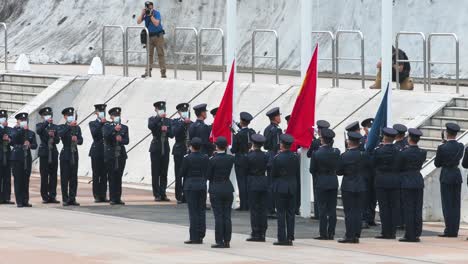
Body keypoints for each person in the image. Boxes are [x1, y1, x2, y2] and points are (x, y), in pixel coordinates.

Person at [337, 132, 369, 244]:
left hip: (348, 186)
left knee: (349, 212)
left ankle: (349, 235)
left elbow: (339, 172)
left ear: (349, 142)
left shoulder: (344, 155)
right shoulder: (363, 155)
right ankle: (356, 234)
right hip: (361, 185)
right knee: (358, 211)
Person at [310, 128, 341, 240]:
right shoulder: (336, 152)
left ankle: (323, 233)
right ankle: (331, 232)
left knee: (322, 208)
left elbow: (312, 170)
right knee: (332, 209)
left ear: (322, 139)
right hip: (332, 180)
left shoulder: (316, 153)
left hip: (321, 181)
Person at [397, 128, 426, 242]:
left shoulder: (404, 153)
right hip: (418, 181)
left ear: (409, 138)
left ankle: (410, 234)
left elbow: (399, 167)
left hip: (407, 181)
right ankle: (417, 233)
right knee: (417, 208)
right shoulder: (422, 152)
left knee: (408, 209)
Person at [435, 123, 464, 238]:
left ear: (447, 133)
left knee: (447, 204)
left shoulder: (442, 148)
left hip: (446, 175)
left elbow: (437, 164)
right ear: (456, 134)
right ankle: (455, 230)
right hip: (456, 175)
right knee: (456, 204)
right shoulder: (460, 146)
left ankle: (449, 230)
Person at [271, 134, 299, 246]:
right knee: (291, 213)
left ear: (282, 144)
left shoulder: (277, 158)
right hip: (292, 186)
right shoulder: (295, 157)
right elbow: (296, 173)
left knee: (281, 213)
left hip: (281, 187)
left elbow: (273, 174)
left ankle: (282, 237)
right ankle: (290, 237)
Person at [207, 136, 235, 248]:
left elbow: (209, 176)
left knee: (218, 216)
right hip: (227, 187)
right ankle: (227, 240)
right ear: (227, 146)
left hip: (216, 188)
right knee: (227, 216)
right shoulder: (230, 158)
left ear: (216, 146)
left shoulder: (212, 160)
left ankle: (219, 240)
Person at [181, 137, 209, 244]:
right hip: (201, 185)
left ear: (191, 146)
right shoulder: (205, 157)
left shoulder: (187, 158)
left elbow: (182, 173)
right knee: (201, 211)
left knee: (193, 212)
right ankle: (201, 234)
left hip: (191, 186)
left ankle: (194, 236)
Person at [373, 127, 400, 239]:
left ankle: (385, 232)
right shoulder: (398, 151)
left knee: (384, 208)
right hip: (394, 181)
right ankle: (392, 232)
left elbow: (373, 165)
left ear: (384, 137)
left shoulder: (378, 151)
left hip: (382, 181)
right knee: (393, 207)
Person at [246, 134, 269, 242]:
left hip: (252, 182)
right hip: (263, 182)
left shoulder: (249, 156)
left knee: (254, 209)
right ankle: (263, 232)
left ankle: (255, 232)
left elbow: (245, 170)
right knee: (263, 209)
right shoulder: (265, 155)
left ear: (253, 144)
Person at [10, 112, 37, 207]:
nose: (24, 122)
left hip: (26, 158)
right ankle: (19, 201)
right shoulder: (13, 130)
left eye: (25, 120)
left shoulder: (31, 133)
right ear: (17, 121)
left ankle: (25, 200)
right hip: (17, 157)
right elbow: (13, 140)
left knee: (26, 179)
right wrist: (22, 130)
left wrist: (30, 145)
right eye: (21, 120)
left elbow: (35, 145)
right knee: (18, 179)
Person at [103, 107, 129, 205]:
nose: (117, 117)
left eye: (118, 115)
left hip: (121, 154)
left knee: (119, 176)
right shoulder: (107, 126)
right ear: (111, 117)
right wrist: (114, 130)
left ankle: (118, 197)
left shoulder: (125, 127)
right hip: (111, 154)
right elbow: (105, 136)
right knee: (112, 176)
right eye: (115, 116)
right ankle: (112, 198)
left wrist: (121, 140)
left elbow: (127, 141)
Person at [58, 107, 83, 206]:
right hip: (66, 153)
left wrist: (76, 139)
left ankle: (72, 198)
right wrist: (69, 127)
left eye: (71, 115)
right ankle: (65, 198)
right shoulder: (62, 127)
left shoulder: (77, 128)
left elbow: (81, 141)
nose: (70, 117)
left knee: (73, 177)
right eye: (68, 116)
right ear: (64, 117)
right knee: (65, 177)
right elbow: (60, 134)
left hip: (74, 153)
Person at [148, 101, 173, 201]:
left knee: (164, 172)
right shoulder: (152, 119)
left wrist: (167, 129)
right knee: (155, 172)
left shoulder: (168, 121)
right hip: (156, 147)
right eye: (160, 109)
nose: (163, 111)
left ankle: (163, 193)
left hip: (165, 147)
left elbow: (172, 134)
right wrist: (159, 117)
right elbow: (151, 126)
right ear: (156, 110)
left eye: (163, 109)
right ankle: (156, 194)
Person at [231, 112, 255, 211]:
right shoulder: (252, 132)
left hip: (240, 159)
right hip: (250, 158)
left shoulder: (238, 134)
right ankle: (249, 204)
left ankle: (244, 205)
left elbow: (234, 149)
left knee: (241, 183)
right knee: (248, 182)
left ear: (241, 121)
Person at [306, 120, 330, 219]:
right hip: (328, 171)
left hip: (317, 171)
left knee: (317, 192)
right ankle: (327, 211)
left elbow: (308, 154)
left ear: (319, 130)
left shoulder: (315, 142)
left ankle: (318, 213)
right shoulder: (330, 141)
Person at [36, 107, 60, 204]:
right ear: (42, 116)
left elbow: (58, 140)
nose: (48, 116)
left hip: (53, 152)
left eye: (49, 114)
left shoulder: (55, 126)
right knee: (44, 175)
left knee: (53, 175)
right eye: (46, 115)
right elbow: (39, 131)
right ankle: (45, 196)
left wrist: (53, 136)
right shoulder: (40, 125)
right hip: (44, 153)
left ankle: (52, 195)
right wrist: (46, 123)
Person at [137, 1, 166, 78]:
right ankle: (148, 72)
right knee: (149, 55)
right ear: (146, 7)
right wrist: (142, 14)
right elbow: (138, 22)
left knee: (160, 54)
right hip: (149, 37)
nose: (150, 7)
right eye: (148, 6)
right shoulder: (145, 14)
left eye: (151, 6)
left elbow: (156, 23)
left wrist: (150, 16)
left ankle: (163, 73)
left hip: (158, 36)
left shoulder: (156, 13)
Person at [264, 107, 283, 218]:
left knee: (270, 184)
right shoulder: (277, 130)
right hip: (274, 157)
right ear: (275, 118)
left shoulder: (267, 129)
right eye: (278, 116)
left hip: (269, 156)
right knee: (273, 185)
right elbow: (277, 145)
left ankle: (269, 208)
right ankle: (271, 209)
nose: (279, 117)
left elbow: (265, 145)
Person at [172, 103, 192, 204]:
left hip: (188, 150)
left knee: (188, 174)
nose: (184, 113)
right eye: (182, 111)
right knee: (179, 173)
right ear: (179, 112)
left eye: (186, 111)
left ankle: (186, 194)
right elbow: (173, 132)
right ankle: (179, 195)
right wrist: (184, 123)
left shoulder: (191, 123)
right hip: (179, 150)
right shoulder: (175, 122)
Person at [89, 104, 109, 203]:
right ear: (96, 113)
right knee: (96, 174)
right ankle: (96, 195)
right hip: (96, 151)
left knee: (104, 175)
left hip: (106, 151)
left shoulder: (108, 123)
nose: (102, 113)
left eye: (103, 111)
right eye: (100, 111)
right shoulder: (93, 123)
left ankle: (103, 195)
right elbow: (95, 134)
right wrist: (101, 123)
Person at [360, 118, 376, 227]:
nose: (369, 130)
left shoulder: (377, 140)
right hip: (364, 173)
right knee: (365, 197)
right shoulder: (361, 140)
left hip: (374, 173)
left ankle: (371, 218)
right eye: (368, 128)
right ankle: (364, 218)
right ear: (364, 129)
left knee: (373, 197)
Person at [393, 123, 408, 229]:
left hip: (398, 177)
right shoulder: (407, 145)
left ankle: (399, 222)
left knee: (398, 201)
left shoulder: (396, 147)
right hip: (407, 177)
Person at [0, 110, 13, 205]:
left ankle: (6, 197)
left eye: (4, 117)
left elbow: (14, 139)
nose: (3, 118)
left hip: (7, 156)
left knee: (7, 178)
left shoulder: (9, 129)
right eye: (1, 117)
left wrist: (9, 139)